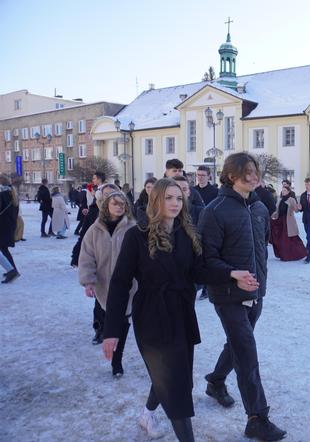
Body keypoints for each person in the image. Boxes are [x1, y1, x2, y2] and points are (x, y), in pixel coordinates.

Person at [103, 178, 225, 441]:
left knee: (177, 376)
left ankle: (148, 413)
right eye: (169, 198)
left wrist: (231, 274)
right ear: (156, 200)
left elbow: (198, 271)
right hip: (151, 317)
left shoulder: (187, 233)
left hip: (182, 313)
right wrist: (111, 329)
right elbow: (120, 283)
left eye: (179, 198)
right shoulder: (137, 235)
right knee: (175, 382)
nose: (175, 203)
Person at [199, 152, 287, 441]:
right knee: (247, 351)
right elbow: (205, 260)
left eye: (255, 171)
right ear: (231, 175)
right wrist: (232, 274)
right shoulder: (214, 210)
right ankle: (257, 418)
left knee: (237, 344)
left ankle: (215, 381)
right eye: (247, 172)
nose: (254, 177)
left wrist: (259, 284)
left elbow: (260, 250)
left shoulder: (259, 207)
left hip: (256, 292)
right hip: (227, 294)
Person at [78, 191, 136, 377]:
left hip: (129, 285)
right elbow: (87, 256)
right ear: (106, 206)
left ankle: (117, 361)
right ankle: (104, 337)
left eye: (122, 204)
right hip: (104, 285)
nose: (119, 207)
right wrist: (88, 281)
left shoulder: (133, 228)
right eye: (115, 203)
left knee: (123, 320)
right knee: (109, 319)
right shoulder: (95, 230)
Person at [71, 183, 121, 345]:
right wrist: (75, 256)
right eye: (106, 194)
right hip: (102, 269)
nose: (109, 197)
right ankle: (100, 329)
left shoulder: (126, 216)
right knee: (100, 303)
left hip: (121, 269)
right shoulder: (94, 212)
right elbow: (85, 238)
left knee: (120, 301)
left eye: (112, 194)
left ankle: (117, 329)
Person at [270, 184, 307, 261]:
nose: (283, 192)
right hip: (280, 221)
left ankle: (297, 254)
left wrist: (299, 207)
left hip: (288, 222)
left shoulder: (291, 199)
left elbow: (296, 210)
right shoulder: (280, 200)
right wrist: (271, 216)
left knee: (290, 239)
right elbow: (277, 211)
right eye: (282, 190)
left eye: (285, 191)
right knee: (280, 239)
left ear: (288, 191)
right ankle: (283, 255)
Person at [0, 176, 20, 283]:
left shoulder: (2, 194)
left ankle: (12, 270)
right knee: (3, 249)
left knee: (3, 249)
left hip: (2, 226)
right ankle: (11, 269)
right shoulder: (12, 194)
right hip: (9, 225)